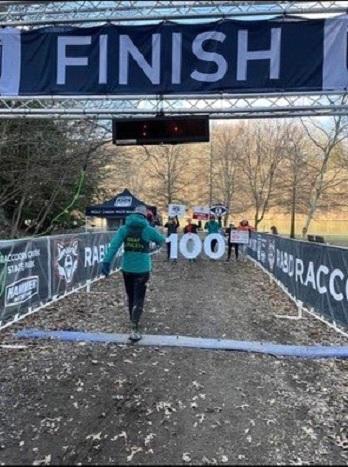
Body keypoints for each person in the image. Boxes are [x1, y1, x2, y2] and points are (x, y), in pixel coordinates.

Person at [101, 205, 165, 341]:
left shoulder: (124, 229)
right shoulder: (148, 229)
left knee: (131, 297)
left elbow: (114, 245)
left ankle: (132, 321)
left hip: (127, 269)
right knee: (139, 298)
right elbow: (161, 240)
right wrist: (152, 247)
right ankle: (135, 328)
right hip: (143, 269)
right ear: (144, 216)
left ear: (133, 215)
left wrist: (106, 262)